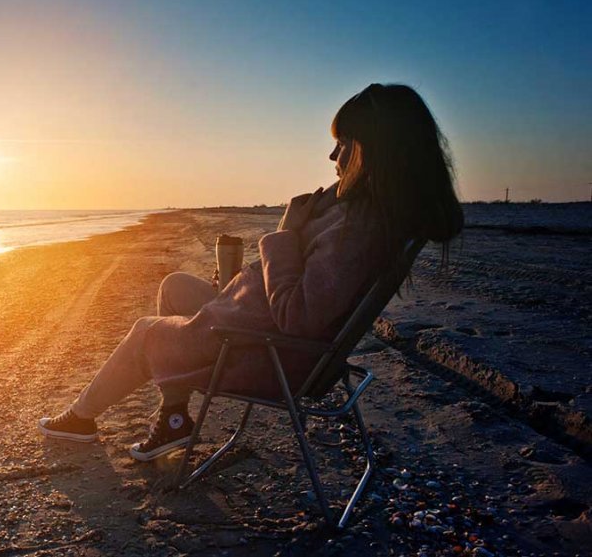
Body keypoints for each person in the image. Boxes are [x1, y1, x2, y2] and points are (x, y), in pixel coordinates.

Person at [38, 83, 464, 461]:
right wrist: (243, 284)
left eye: (344, 143)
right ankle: (174, 421)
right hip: (258, 332)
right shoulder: (362, 215)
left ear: (375, 152)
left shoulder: (357, 228)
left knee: (147, 332)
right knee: (175, 288)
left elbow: (297, 318)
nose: (333, 155)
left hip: (265, 353)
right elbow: (305, 291)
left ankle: (80, 420)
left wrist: (285, 232)